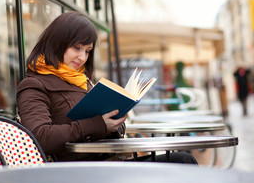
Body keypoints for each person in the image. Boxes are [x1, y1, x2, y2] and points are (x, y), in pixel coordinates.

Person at [17, 12, 198, 164]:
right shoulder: (34, 85)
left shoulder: (83, 80)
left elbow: (105, 127)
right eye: (77, 48)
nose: (82, 57)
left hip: (111, 163)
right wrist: (98, 125)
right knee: (182, 162)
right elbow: (39, 137)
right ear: (57, 43)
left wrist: (115, 122)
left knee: (184, 161)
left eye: (87, 51)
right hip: (80, 173)